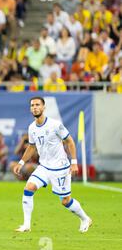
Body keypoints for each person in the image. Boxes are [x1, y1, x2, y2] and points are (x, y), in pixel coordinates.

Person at [13, 96, 92, 233]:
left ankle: (85, 218)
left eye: (38, 105)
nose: (35, 107)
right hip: (44, 167)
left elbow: (70, 141)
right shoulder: (32, 128)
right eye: (32, 105)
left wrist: (73, 163)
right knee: (29, 188)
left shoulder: (55, 125)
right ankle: (26, 225)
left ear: (44, 107)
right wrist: (21, 162)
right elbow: (32, 147)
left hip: (60, 168)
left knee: (65, 201)